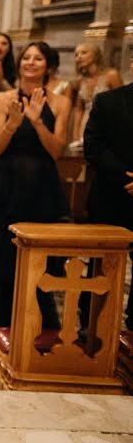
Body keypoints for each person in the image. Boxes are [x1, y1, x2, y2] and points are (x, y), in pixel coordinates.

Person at [0, 41, 70, 341]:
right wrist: (13, 124)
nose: (31, 63)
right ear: (19, 65)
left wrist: (36, 123)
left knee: (36, 260)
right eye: (27, 58)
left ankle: (33, 327)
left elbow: (57, 151)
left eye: (39, 59)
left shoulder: (60, 103)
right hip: (5, 186)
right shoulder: (3, 99)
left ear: (49, 65)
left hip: (40, 189)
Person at [84, 55, 133, 331]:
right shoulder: (108, 101)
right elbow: (93, 146)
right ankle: (91, 326)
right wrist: (124, 176)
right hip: (111, 196)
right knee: (101, 267)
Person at [71, 42, 122, 145]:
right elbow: (79, 109)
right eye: (76, 54)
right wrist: (76, 135)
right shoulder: (81, 81)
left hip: (108, 125)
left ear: (95, 55)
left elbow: (121, 104)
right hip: (86, 127)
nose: (79, 57)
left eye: (84, 53)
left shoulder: (111, 75)